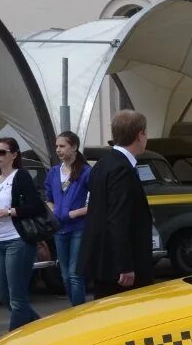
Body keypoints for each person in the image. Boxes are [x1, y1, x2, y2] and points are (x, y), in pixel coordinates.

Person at [79, 110, 155, 299]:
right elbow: (118, 218)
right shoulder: (122, 169)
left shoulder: (103, 164)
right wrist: (125, 265)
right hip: (120, 267)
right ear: (140, 134)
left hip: (103, 261)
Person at [0, 137, 44, 330]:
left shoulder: (21, 176)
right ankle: (39, 325)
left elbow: (36, 206)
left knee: (17, 296)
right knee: (2, 294)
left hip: (17, 240)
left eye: (2, 152)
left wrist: (9, 211)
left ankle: (14, 338)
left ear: (14, 155)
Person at [45, 131, 91, 307]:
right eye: (57, 146)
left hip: (78, 227)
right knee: (64, 275)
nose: (58, 150)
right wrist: (53, 211)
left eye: (62, 146)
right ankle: (76, 309)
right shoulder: (54, 172)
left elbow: (96, 202)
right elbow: (48, 197)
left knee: (74, 274)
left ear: (74, 147)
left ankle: (79, 312)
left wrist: (74, 213)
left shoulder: (86, 172)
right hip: (59, 229)